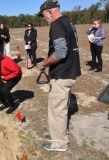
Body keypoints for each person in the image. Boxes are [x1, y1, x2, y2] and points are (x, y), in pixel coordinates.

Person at [37, 0, 81, 151]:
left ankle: (59, 143)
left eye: (43, 14)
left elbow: (60, 53)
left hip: (62, 73)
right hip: (70, 71)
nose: (43, 18)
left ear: (49, 10)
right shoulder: (67, 21)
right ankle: (58, 134)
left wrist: (44, 64)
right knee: (60, 108)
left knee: (57, 110)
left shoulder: (56, 24)